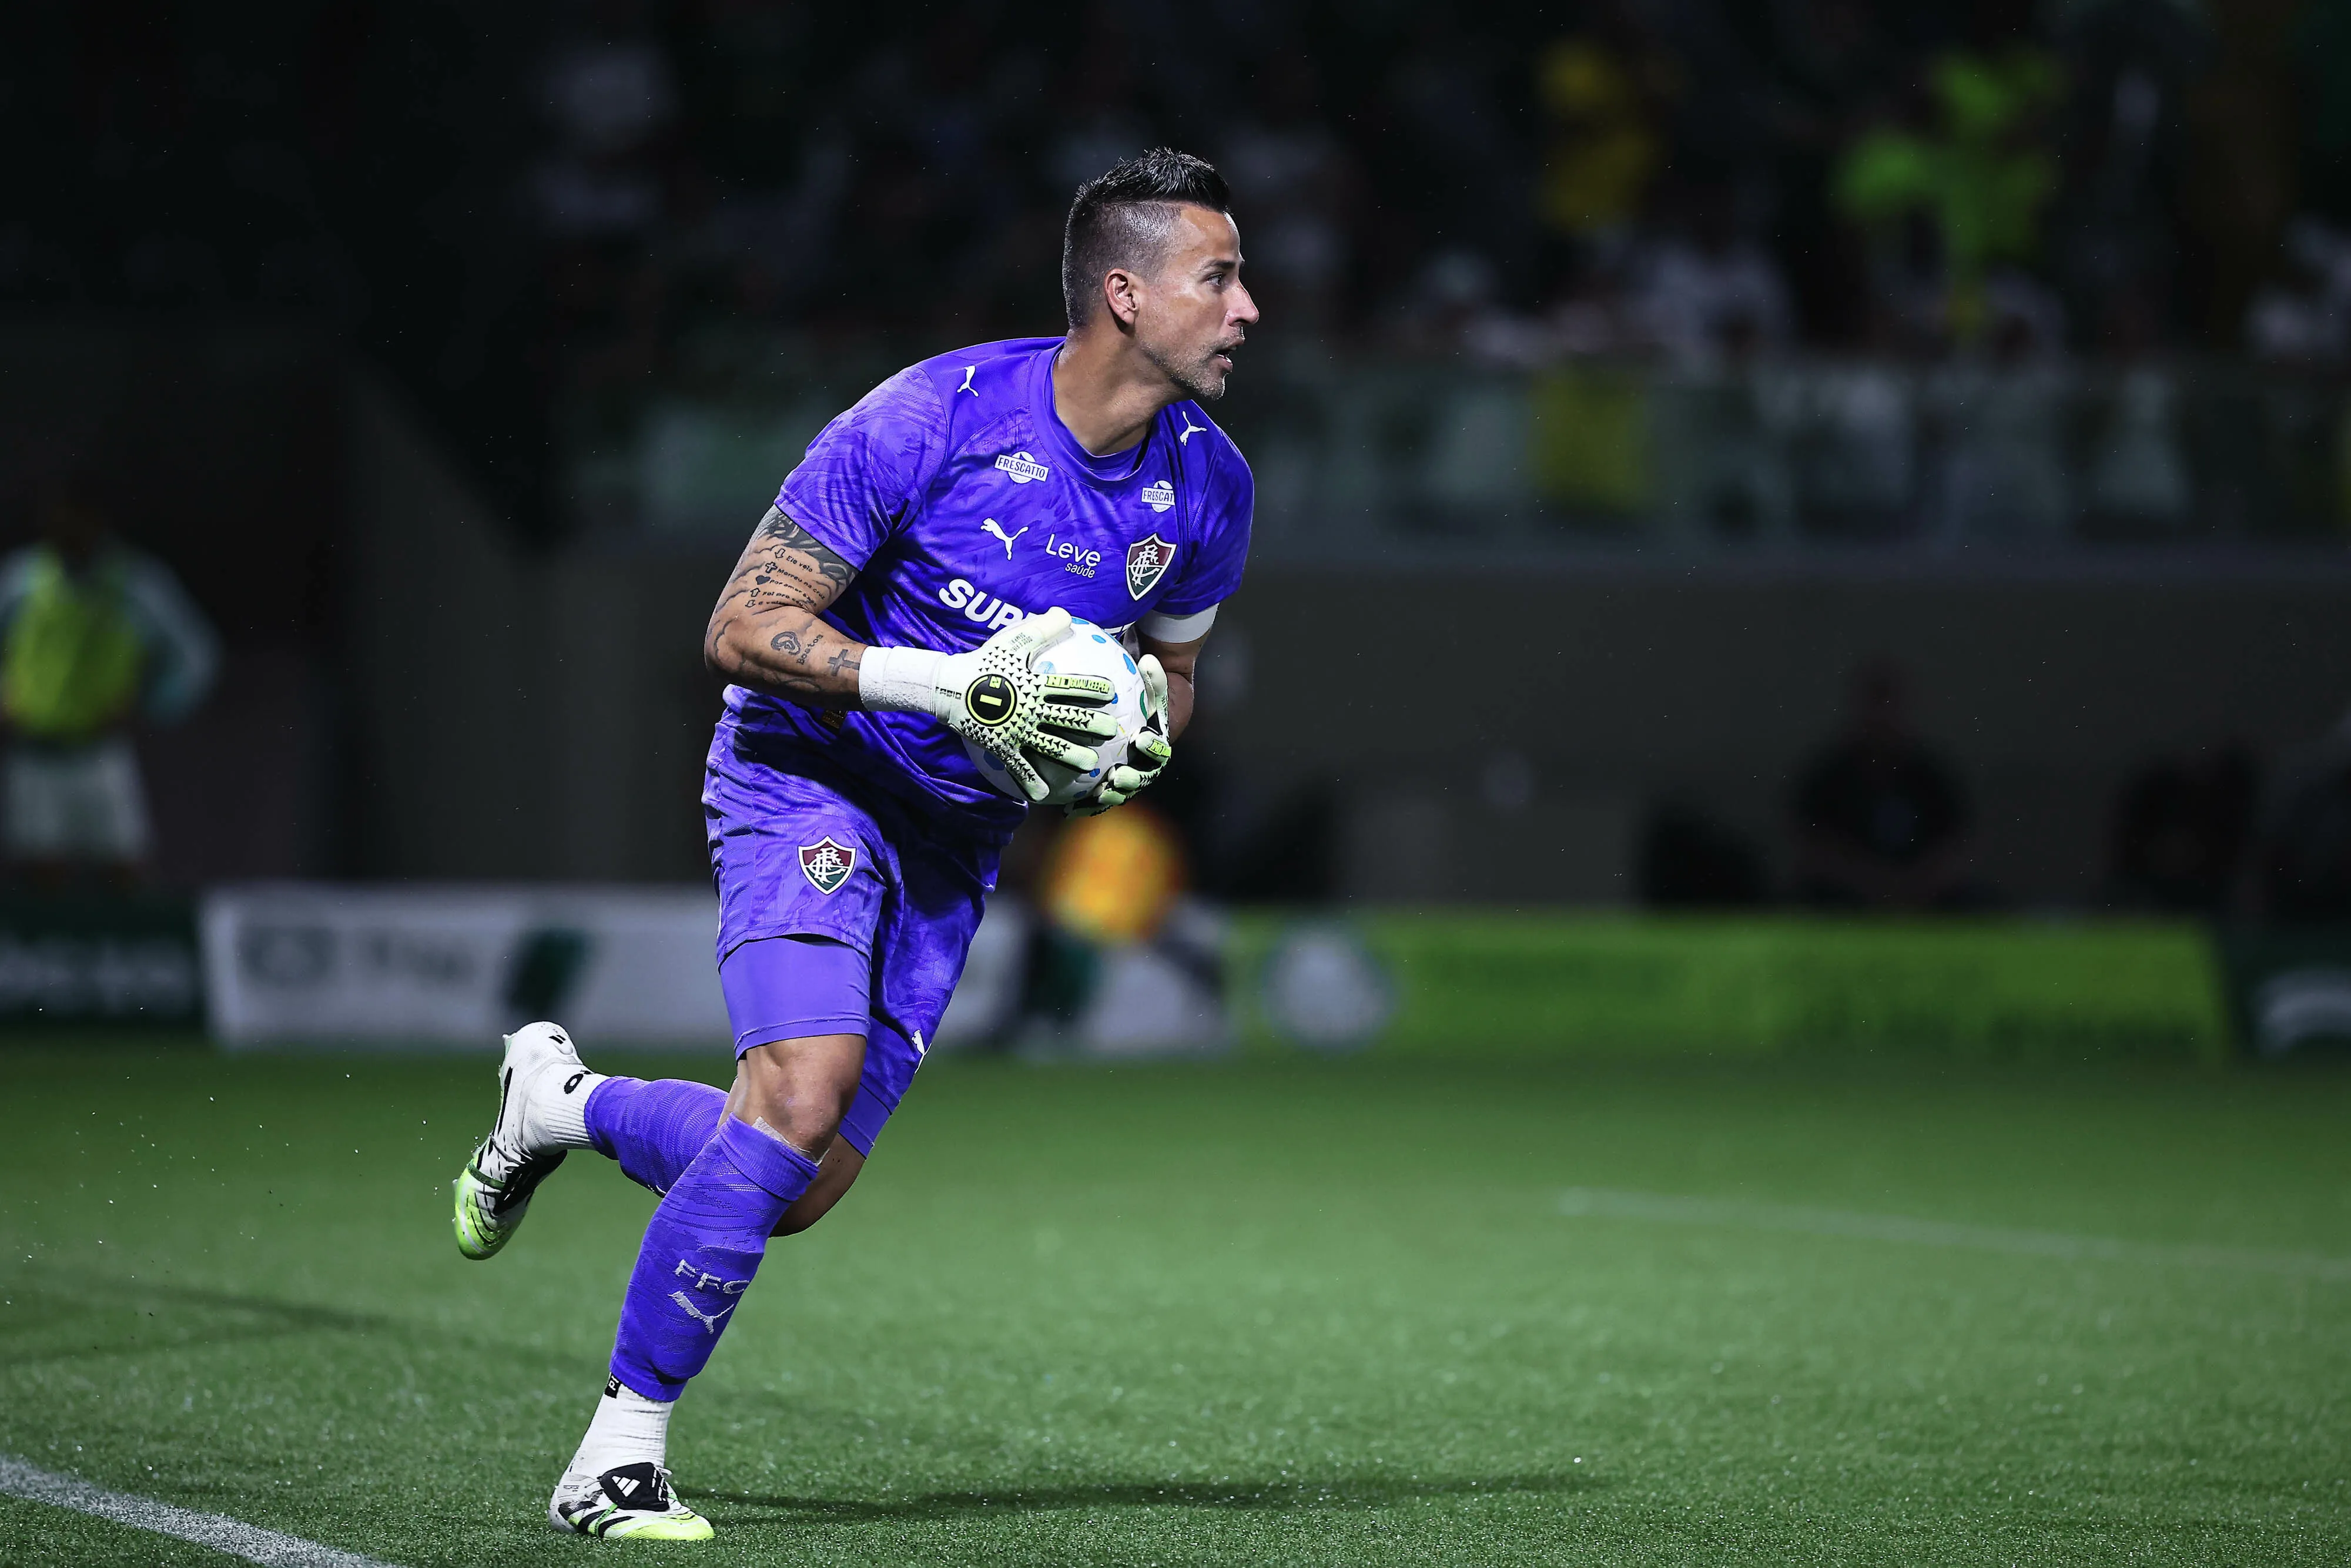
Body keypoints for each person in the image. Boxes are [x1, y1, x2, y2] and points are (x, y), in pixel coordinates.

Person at [451, 149, 1257, 1540]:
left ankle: (562, 1108)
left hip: (953, 843)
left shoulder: (1209, 489)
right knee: (800, 1092)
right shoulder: (927, 417)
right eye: (1220, 278)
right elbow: (740, 630)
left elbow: (1168, 691)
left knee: (799, 1183)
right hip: (803, 778)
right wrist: (946, 683)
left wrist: (1122, 751)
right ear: (1123, 294)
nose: (1248, 310)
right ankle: (615, 1456)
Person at [0, 471, 218, 885]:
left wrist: (153, 702)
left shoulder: (135, 584)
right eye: (61, 522)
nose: (70, 534)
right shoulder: (22, 580)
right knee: (40, 876)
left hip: (101, 752)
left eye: (80, 523)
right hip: (34, 750)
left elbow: (196, 655)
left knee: (123, 873)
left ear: (99, 524)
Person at [1789, 660, 1975, 910]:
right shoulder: (1829, 777)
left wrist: (1913, 884)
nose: (1881, 716)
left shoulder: (1931, 776)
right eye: (1874, 703)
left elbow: (1956, 846)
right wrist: (1871, 882)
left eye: (1888, 704)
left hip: (1924, 893)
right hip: (1847, 894)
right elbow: (1811, 846)